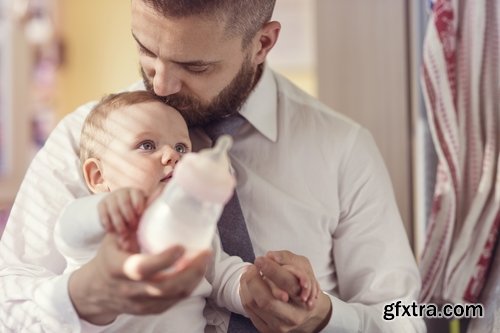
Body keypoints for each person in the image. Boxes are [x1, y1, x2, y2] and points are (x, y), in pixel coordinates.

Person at [0, 0, 426, 332]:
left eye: (194, 65)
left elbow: (405, 318)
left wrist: (325, 318)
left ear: (262, 43)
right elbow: (7, 309)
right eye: (145, 49)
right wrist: (86, 297)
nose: (162, 84)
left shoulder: (344, 149)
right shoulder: (86, 137)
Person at [52, 90, 316, 332]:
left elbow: (221, 276)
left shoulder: (191, 225)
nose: (172, 156)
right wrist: (104, 210)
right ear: (98, 176)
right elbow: (68, 230)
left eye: (181, 148)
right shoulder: (98, 225)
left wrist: (256, 284)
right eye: (147, 145)